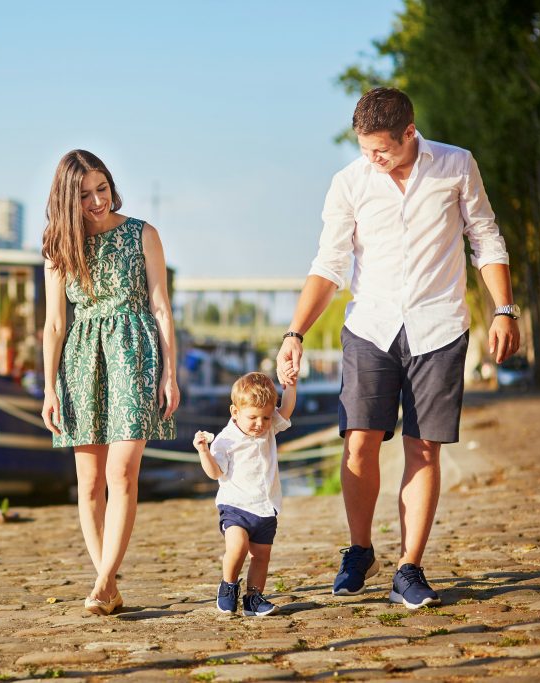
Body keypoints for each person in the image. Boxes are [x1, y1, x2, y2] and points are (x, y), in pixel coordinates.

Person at [276, 87, 519, 609]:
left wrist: (503, 308)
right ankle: (359, 549)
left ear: (410, 132)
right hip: (371, 325)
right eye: (365, 150)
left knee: (422, 447)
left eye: (381, 150)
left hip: (439, 327)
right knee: (358, 442)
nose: (373, 159)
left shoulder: (456, 165)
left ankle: (409, 568)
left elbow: (486, 237)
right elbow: (329, 264)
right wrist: (294, 332)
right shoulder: (350, 182)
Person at [40, 149, 179, 615]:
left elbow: (161, 307)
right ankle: (109, 584)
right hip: (81, 361)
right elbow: (55, 325)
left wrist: (170, 372)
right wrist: (48, 388)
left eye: (102, 188)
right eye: (84, 194)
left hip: (133, 355)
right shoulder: (58, 248)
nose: (98, 200)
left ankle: (101, 584)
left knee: (122, 471)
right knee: (89, 482)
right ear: (67, 199)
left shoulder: (143, 234)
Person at [193, 372, 296, 617]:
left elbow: (288, 408)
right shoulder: (225, 440)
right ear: (235, 412)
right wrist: (204, 452)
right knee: (237, 547)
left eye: (266, 417)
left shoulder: (268, 429)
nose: (260, 424)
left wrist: (291, 385)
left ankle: (253, 597)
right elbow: (215, 473)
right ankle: (228, 585)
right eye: (253, 417)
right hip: (235, 506)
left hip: (265, 506)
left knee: (261, 556)